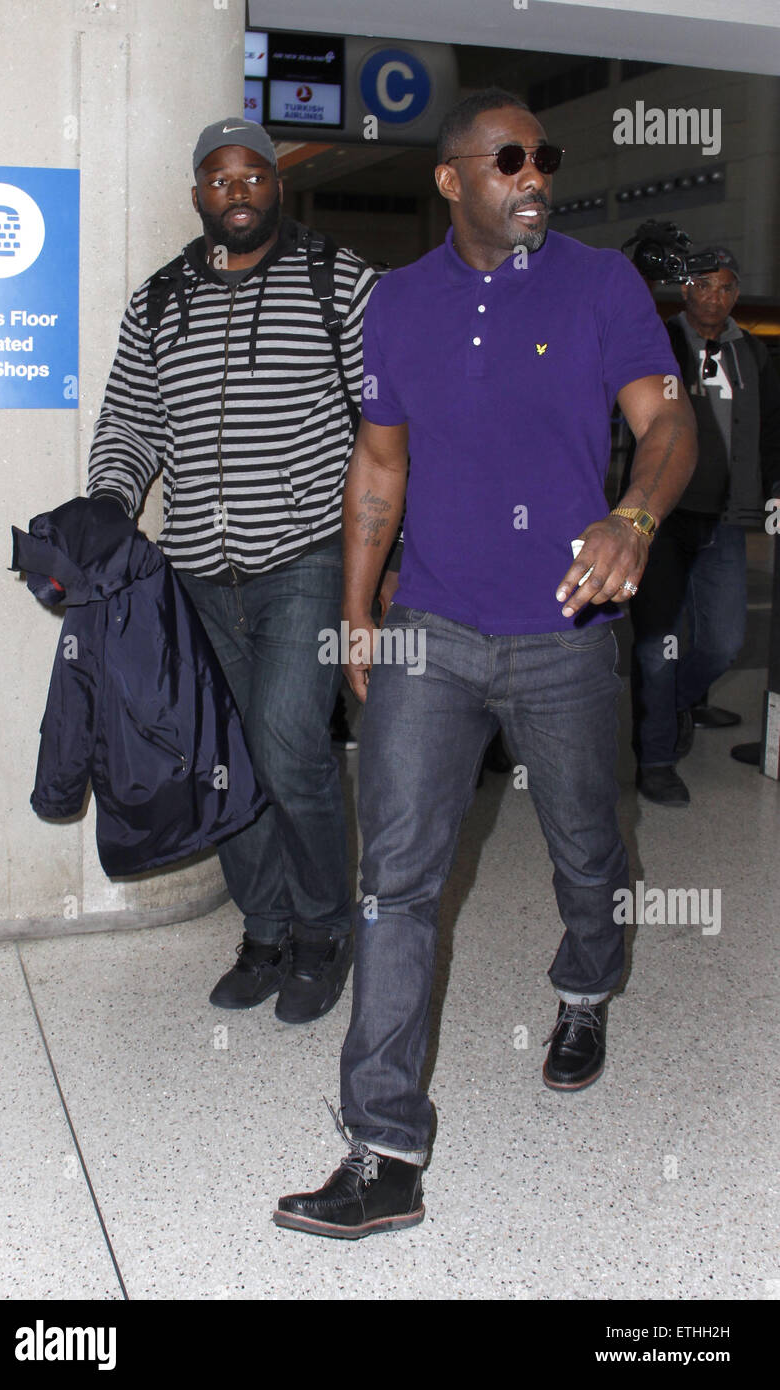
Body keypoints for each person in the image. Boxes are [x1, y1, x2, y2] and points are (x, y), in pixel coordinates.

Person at [273, 88, 697, 1239]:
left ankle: (583, 985)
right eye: (506, 159)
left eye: (541, 157)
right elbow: (377, 466)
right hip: (433, 629)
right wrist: (358, 609)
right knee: (396, 879)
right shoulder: (395, 307)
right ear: (451, 180)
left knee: (585, 845)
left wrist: (633, 522)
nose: (533, 176)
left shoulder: (599, 284)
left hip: (563, 624)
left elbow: (665, 426)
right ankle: (383, 1148)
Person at [87, 118, 379, 1023]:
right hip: (199, 574)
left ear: (277, 185)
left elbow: (391, 426)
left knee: (290, 748)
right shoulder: (160, 300)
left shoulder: (337, 280)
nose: (239, 190)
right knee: (228, 762)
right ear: (198, 195)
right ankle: (265, 927)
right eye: (221, 179)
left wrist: (392, 558)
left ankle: (326, 929)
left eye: (255, 174)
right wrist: (106, 503)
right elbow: (131, 423)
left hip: (304, 558)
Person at [629, 249, 780, 805]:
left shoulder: (752, 354)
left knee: (723, 641)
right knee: (655, 646)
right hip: (664, 519)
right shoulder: (656, 342)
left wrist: (774, 487)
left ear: (735, 295)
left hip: (726, 516)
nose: (713, 297)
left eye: (724, 288)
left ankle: (672, 705)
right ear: (685, 290)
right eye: (702, 285)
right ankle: (658, 757)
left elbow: (771, 430)